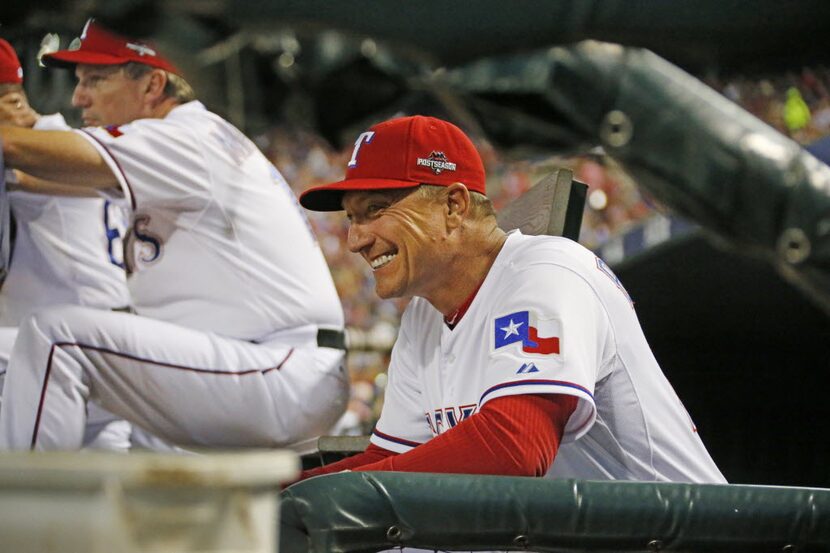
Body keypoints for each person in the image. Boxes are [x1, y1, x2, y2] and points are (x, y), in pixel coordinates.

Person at [296, 115, 725, 483]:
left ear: (453, 206)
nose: (355, 240)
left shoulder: (545, 271)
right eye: (351, 219)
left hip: (683, 536)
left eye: (375, 210)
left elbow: (516, 446)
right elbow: (385, 461)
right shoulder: (424, 317)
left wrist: (342, 492)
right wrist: (271, 492)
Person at [0, 20, 349, 451]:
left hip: (276, 368)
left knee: (55, 338)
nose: (78, 97)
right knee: (36, 369)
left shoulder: (183, 137)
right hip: (251, 367)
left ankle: (24, 512)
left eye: (95, 79)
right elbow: (35, 174)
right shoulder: (184, 142)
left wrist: (14, 133)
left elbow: (23, 153)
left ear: (152, 85)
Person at [0, 37, 132, 449]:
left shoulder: (41, 150)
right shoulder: (68, 145)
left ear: (15, 104)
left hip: (70, 344)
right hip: (101, 343)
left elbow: (23, 172)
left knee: (30, 493)